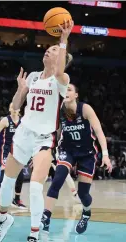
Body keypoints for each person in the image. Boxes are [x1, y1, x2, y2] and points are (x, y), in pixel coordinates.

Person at [0, 19, 74, 242]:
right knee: (6, 185)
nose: (49, 50)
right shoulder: (34, 76)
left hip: (43, 139)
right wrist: (20, 89)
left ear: (62, 59)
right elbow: (15, 106)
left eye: (54, 50)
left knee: (36, 188)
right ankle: (4, 218)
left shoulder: (62, 80)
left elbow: (59, 70)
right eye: (49, 49)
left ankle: (33, 239)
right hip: (24, 133)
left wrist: (64, 39)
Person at [41, 83, 112, 234]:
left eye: (69, 89)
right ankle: (45, 217)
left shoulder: (85, 109)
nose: (66, 92)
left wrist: (105, 155)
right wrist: (48, 151)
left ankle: (86, 213)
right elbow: (57, 133)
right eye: (64, 89)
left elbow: (99, 132)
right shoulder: (59, 111)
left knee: (83, 194)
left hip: (87, 153)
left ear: (76, 95)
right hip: (68, 150)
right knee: (57, 180)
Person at [0, 103, 27, 211]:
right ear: (9, 109)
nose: (14, 109)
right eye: (12, 107)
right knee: (4, 175)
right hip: (6, 152)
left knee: (20, 176)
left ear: (19, 110)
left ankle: (16, 200)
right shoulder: (5, 120)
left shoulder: (23, 121)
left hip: (18, 152)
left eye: (16, 107)